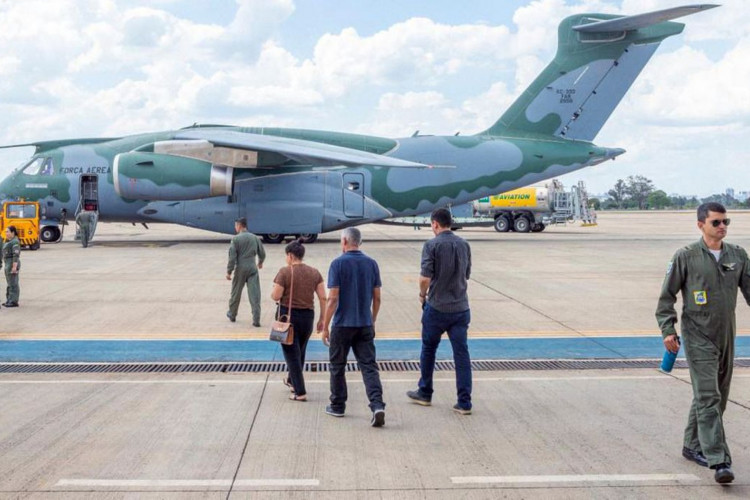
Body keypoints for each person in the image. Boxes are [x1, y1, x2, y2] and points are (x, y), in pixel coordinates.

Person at [656, 202, 750, 484]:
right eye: (716, 223)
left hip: (726, 335)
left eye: (726, 222)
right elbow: (666, 298)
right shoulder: (686, 256)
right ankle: (719, 459)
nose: (722, 227)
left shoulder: (738, 255)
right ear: (701, 225)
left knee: (714, 397)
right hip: (698, 335)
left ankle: (691, 445)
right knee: (709, 397)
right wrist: (667, 329)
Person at [407, 207, 473, 415]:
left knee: (428, 349)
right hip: (461, 307)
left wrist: (421, 295)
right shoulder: (464, 245)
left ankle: (425, 392)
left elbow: (425, 277)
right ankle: (464, 402)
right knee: (461, 354)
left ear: (435, 224)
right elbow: (467, 274)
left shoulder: (431, 245)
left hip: (437, 307)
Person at [322, 227, 386, 427]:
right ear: (359, 242)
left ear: (344, 242)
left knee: (337, 366)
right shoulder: (371, 264)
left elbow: (332, 298)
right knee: (369, 366)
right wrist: (372, 319)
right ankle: (377, 405)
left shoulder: (337, 264)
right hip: (364, 323)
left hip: (342, 324)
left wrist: (325, 325)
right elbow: (377, 297)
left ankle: (338, 405)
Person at [270, 239, 326, 401]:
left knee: (291, 355)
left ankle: (300, 391)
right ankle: (291, 380)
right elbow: (323, 297)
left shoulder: (285, 272)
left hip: (289, 319)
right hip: (308, 317)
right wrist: (322, 318)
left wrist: (273, 293)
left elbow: (276, 295)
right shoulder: (314, 272)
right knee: (300, 351)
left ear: (290, 255)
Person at [226, 217, 266, 327]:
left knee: (236, 292)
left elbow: (232, 257)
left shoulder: (236, 239)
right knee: (255, 294)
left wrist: (229, 271)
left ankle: (232, 314)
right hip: (253, 267)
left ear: (239, 226)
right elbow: (262, 253)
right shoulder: (254, 238)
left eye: (235, 226)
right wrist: (260, 262)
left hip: (241, 269)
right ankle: (256, 319)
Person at [2, 225, 21, 308]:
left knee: (13, 282)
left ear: (12, 232)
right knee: (9, 282)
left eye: (7, 232)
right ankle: (9, 299)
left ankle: (14, 301)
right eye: (6, 232)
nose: (6, 233)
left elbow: (16, 255)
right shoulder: (9, 241)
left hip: (12, 262)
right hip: (7, 262)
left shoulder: (15, 242)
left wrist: (14, 266)